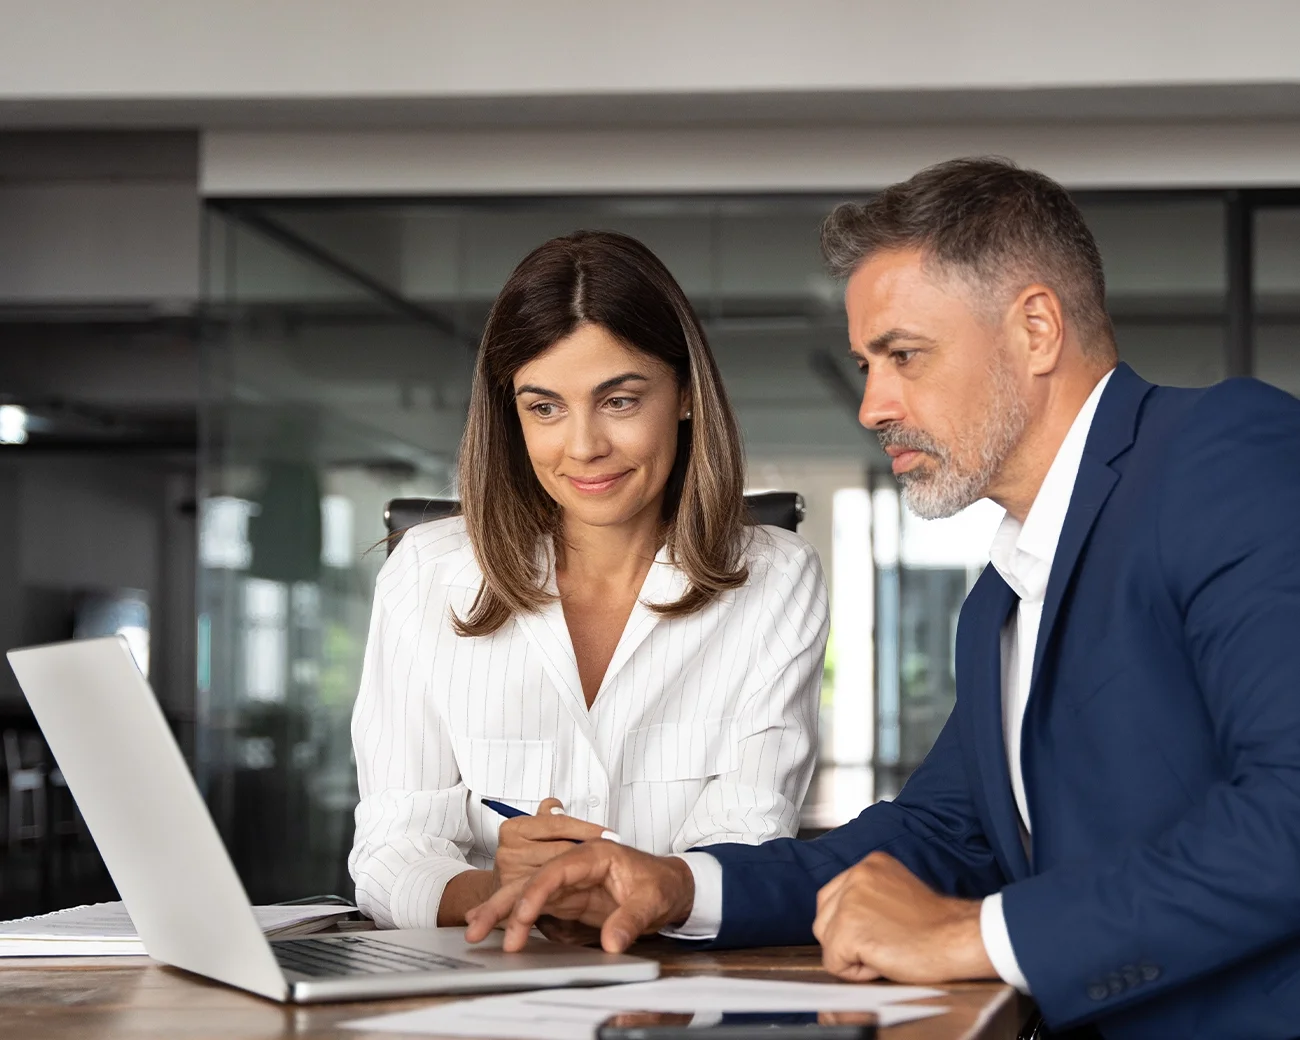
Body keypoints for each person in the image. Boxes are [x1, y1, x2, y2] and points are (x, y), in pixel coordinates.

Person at [464, 160, 1300, 1039]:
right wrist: (674, 884)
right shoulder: (1000, 600)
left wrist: (978, 934)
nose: (871, 404)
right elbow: (942, 835)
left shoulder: (1221, 452)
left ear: (1037, 329)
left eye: (903, 355)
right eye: (867, 363)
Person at [348, 230, 829, 933]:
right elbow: (390, 851)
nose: (583, 446)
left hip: (681, 996)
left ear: (685, 395)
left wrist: (614, 887)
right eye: (544, 407)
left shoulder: (777, 580)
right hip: (485, 986)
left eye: (621, 401)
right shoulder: (425, 574)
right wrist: (495, 887)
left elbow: (745, 842)